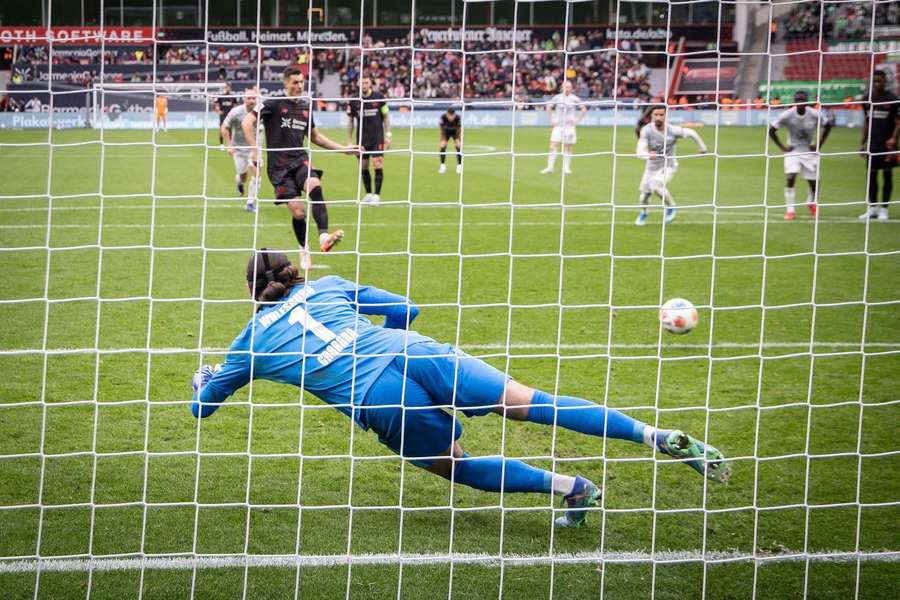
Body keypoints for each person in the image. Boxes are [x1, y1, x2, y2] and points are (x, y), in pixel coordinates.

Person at [191, 250, 732, 530]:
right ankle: (654, 435)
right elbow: (406, 309)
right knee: (536, 403)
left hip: (379, 398)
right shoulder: (328, 286)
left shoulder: (249, 343)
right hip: (415, 351)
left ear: (250, 291)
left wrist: (204, 380)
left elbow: (201, 408)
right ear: (293, 273)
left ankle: (572, 487)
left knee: (455, 465)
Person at [242, 65, 356, 270]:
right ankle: (303, 249)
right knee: (298, 212)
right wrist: (255, 150)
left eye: (301, 82)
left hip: (300, 159)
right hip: (278, 168)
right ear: (285, 83)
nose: (299, 86)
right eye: (295, 82)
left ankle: (323, 236)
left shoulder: (305, 107)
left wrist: (344, 149)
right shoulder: (273, 103)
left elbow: (315, 137)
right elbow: (246, 122)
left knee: (314, 184)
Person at [635, 105, 707, 225]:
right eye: (656, 115)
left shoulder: (673, 130)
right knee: (644, 196)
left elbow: (692, 133)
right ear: (651, 116)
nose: (658, 117)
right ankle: (644, 213)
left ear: (666, 115)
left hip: (668, 165)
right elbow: (639, 151)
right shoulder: (646, 130)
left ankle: (671, 207)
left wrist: (702, 148)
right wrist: (648, 155)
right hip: (651, 167)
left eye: (661, 115)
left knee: (655, 185)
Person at [769, 90, 833, 221]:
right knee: (791, 176)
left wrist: (819, 144)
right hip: (793, 151)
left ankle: (810, 202)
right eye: (797, 100)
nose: (800, 103)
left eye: (802, 100)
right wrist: (782, 147)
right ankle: (790, 210)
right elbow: (771, 130)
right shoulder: (786, 115)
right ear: (794, 102)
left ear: (807, 102)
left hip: (810, 152)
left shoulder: (815, 114)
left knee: (814, 183)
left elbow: (828, 125)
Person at [859, 70, 900, 221]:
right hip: (873, 144)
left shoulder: (893, 99)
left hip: (888, 145)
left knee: (887, 175)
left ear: (885, 82)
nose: (877, 84)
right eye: (874, 81)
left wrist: (894, 139)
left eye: (879, 81)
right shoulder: (868, 99)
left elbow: (898, 121)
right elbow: (867, 121)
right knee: (872, 176)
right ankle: (872, 208)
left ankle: (884, 209)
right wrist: (862, 143)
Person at [346, 76, 391, 205]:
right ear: (358, 84)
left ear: (370, 83)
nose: (364, 84)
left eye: (366, 82)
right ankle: (368, 194)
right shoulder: (354, 100)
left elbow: (386, 116)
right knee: (364, 166)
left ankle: (377, 195)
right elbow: (350, 120)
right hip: (362, 138)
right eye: (362, 82)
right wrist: (349, 140)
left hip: (377, 137)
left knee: (377, 163)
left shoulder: (379, 97)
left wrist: (388, 134)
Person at [220, 86, 260, 212]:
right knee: (243, 177)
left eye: (254, 98)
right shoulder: (236, 112)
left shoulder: (262, 111)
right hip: (239, 148)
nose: (252, 100)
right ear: (244, 99)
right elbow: (224, 128)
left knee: (257, 172)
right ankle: (239, 180)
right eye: (249, 98)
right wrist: (229, 146)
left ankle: (250, 203)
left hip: (254, 149)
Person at [541, 80, 586, 175]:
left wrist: (577, 121)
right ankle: (550, 167)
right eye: (565, 87)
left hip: (569, 127)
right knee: (553, 146)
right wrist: (551, 120)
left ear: (572, 88)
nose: (567, 88)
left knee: (568, 147)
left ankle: (566, 168)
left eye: (569, 87)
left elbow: (583, 109)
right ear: (562, 88)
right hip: (558, 126)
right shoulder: (557, 98)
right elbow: (549, 107)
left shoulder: (575, 99)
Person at [438, 106, 463, 174]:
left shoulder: (458, 118)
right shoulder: (443, 117)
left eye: (452, 116)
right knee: (443, 145)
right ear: (447, 114)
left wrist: (457, 138)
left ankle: (459, 166)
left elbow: (459, 129)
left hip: (455, 132)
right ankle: (442, 165)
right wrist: (443, 138)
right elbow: (441, 128)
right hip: (446, 132)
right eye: (449, 115)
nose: (450, 117)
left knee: (458, 146)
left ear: (454, 115)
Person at [214, 82, 237, 149]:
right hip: (223, 116)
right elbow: (215, 104)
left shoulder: (232, 97)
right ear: (225, 88)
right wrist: (218, 111)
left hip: (230, 116)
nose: (228, 88)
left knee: (230, 130)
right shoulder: (221, 96)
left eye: (229, 87)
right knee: (221, 129)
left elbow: (236, 105)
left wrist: (234, 111)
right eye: (227, 87)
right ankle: (221, 144)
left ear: (230, 88)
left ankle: (230, 144)